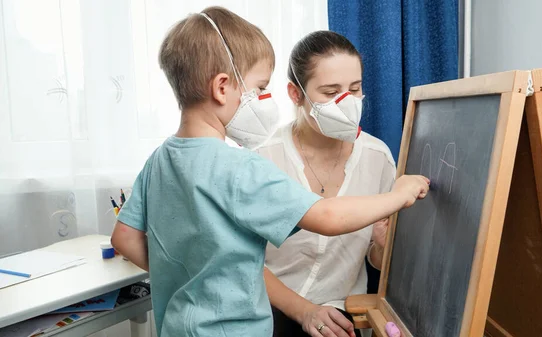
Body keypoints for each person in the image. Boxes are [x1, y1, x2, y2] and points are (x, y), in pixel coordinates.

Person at [110, 8, 430, 337]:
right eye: (259, 87)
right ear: (222, 88)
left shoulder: (159, 159)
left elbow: (123, 238)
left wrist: (183, 274)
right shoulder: (242, 167)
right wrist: (398, 195)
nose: (265, 98)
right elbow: (328, 216)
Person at [257, 31, 396, 337]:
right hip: (268, 309)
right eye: (331, 92)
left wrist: (384, 248)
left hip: (340, 315)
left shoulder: (378, 158)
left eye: (355, 89)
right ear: (295, 94)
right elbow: (242, 262)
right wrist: (304, 311)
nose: (347, 103)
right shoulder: (263, 159)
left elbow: (376, 258)